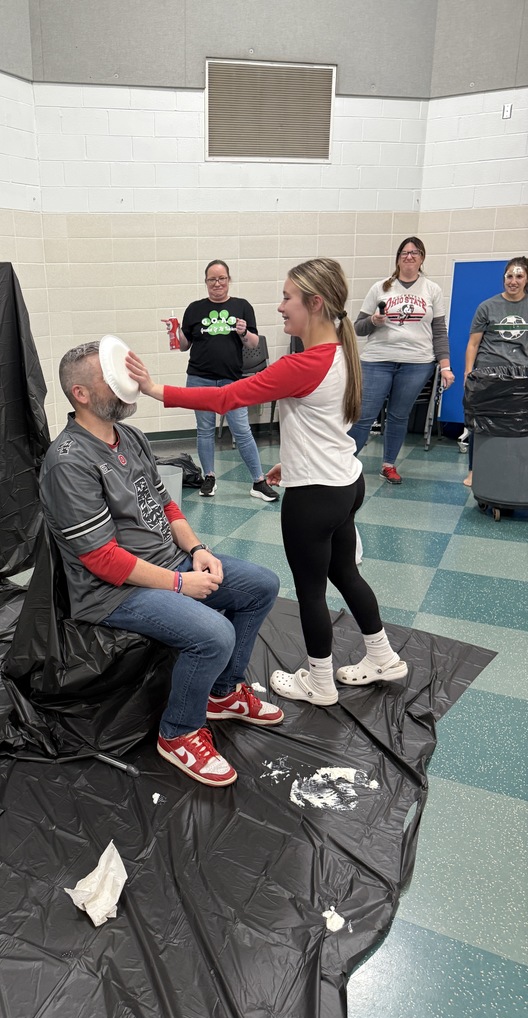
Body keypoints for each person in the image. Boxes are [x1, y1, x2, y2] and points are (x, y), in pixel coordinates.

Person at [127, 258, 407, 707]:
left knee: (312, 591)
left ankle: (319, 682)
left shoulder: (304, 363)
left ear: (314, 304)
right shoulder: (344, 351)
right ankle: (383, 655)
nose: (280, 307)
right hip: (344, 481)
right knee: (344, 572)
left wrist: (155, 389)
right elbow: (326, 426)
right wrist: (291, 465)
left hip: (315, 497)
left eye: (287, 298)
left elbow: (225, 396)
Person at [39, 341, 283, 788]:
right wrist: (177, 583)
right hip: (111, 592)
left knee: (262, 585)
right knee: (214, 634)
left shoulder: (127, 435)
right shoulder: (67, 462)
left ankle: (223, 694)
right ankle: (179, 733)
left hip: (168, 561)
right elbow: (101, 558)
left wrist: (197, 550)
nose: (129, 386)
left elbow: (165, 502)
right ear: (81, 394)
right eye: (111, 379)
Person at [348, 238, 455, 484]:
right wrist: (373, 321)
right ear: (398, 258)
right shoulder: (380, 288)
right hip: (377, 360)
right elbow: (358, 328)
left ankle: (389, 465)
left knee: (398, 415)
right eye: (404, 252)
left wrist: (446, 366)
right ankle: (344, 463)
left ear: (422, 258)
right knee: (365, 415)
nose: (409, 256)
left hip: (417, 363)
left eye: (414, 252)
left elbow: (439, 332)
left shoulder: (432, 290)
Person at [173, 260, 278, 502]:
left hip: (232, 380)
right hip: (199, 378)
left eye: (222, 278)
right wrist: (175, 332)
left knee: (242, 430)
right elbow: (183, 346)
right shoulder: (194, 309)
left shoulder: (242, 306)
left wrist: (243, 332)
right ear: (206, 282)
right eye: (212, 279)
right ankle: (209, 476)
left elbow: (253, 343)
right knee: (205, 430)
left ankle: (258, 481)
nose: (217, 283)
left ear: (229, 280)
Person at [462, 256, 528, 487]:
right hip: (488, 377)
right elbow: (473, 344)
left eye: (519, 276)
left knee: (519, 429)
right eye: (509, 276)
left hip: (522, 378)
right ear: (503, 279)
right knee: (479, 426)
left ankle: (516, 473)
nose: (513, 281)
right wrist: (468, 374)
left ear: (526, 279)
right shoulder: (487, 307)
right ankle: (474, 471)